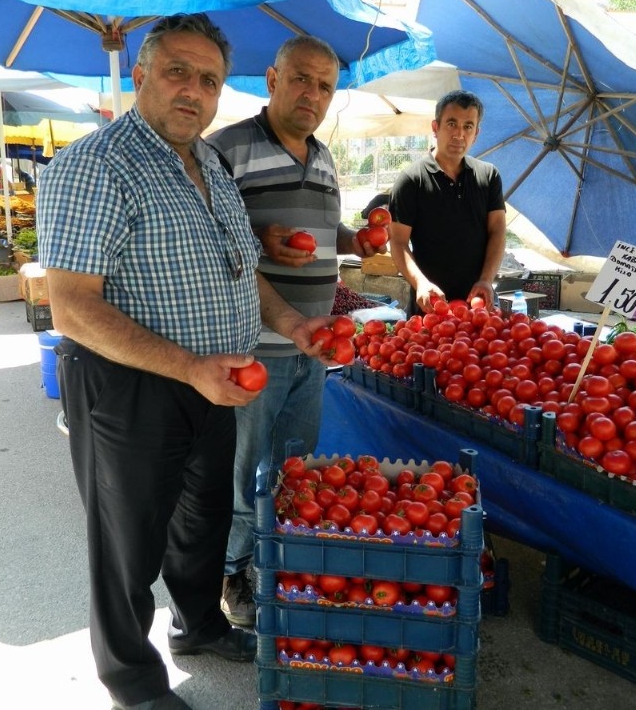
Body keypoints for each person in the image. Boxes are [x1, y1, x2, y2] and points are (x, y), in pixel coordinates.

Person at [36, 14, 334, 710]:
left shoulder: (207, 165)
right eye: (177, 71)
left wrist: (291, 321)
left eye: (208, 79)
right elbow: (73, 307)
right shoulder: (93, 164)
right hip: (129, 384)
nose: (193, 90)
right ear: (140, 76)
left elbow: (240, 271)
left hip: (218, 377)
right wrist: (187, 366)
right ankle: (133, 682)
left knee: (201, 518)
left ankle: (198, 624)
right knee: (128, 542)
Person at [207, 35, 385, 628]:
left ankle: (273, 560)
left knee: (294, 465)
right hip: (254, 347)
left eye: (326, 86)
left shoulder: (326, 158)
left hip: (316, 346)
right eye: (302, 79)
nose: (313, 94)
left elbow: (325, 230)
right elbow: (202, 236)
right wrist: (263, 240)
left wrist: (352, 241)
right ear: (272, 78)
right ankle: (233, 572)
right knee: (245, 466)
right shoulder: (225, 149)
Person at [389, 90, 507, 313]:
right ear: (435, 128)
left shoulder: (489, 176)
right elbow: (397, 242)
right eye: (451, 124)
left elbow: (498, 231)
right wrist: (420, 283)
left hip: (480, 308)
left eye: (468, 126)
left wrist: (485, 280)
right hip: (430, 309)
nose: (459, 134)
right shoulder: (411, 180)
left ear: (476, 133)